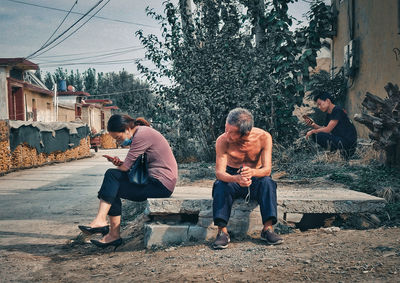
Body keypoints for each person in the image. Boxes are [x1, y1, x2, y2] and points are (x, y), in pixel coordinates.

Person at [78, 114, 178, 250]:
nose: (119, 142)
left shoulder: (142, 135)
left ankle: (104, 224)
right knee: (113, 186)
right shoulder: (141, 133)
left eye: (118, 138)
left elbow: (125, 168)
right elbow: (130, 166)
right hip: (154, 182)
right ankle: (111, 233)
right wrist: (119, 163)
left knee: (112, 176)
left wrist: (121, 165)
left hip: (161, 185)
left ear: (126, 129)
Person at [212, 108, 282, 249]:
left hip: (256, 174)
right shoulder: (222, 140)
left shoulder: (263, 137)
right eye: (226, 129)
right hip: (232, 175)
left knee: (268, 183)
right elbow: (219, 173)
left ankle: (267, 229)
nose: (227, 134)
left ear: (245, 133)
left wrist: (253, 172)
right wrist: (236, 178)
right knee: (220, 185)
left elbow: (267, 170)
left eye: (232, 132)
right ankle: (222, 232)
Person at [304, 91, 357, 158]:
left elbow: (327, 130)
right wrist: (313, 124)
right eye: (317, 106)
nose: (319, 107)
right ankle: (334, 154)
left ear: (328, 101)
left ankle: (339, 154)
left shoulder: (337, 110)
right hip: (341, 140)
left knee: (319, 135)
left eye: (319, 104)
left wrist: (312, 131)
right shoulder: (329, 114)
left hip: (348, 144)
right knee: (316, 135)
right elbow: (324, 128)